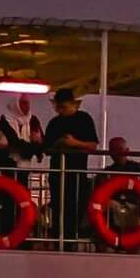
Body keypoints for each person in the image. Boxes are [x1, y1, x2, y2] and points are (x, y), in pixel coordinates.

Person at [42, 90, 99, 230]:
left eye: (63, 107)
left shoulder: (84, 119)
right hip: (57, 173)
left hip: (76, 172)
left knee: (75, 208)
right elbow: (46, 149)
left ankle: (71, 239)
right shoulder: (54, 123)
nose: (60, 110)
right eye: (58, 107)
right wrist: (58, 144)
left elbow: (93, 145)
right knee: (58, 207)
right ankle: (58, 239)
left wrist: (74, 143)